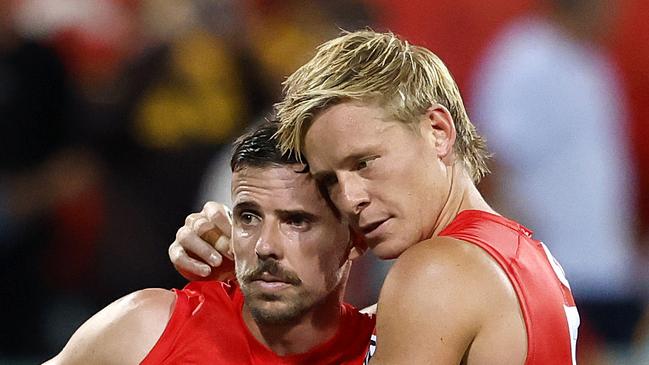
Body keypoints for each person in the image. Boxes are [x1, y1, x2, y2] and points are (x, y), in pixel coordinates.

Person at [171, 30, 579, 364]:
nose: (349, 198)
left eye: (364, 163)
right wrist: (248, 284)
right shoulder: (521, 255)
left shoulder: (433, 272)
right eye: (330, 179)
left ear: (438, 130)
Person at [46, 122, 374, 364]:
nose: (264, 245)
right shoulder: (147, 327)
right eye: (249, 217)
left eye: (296, 221)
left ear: (356, 238)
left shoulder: (387, 348)